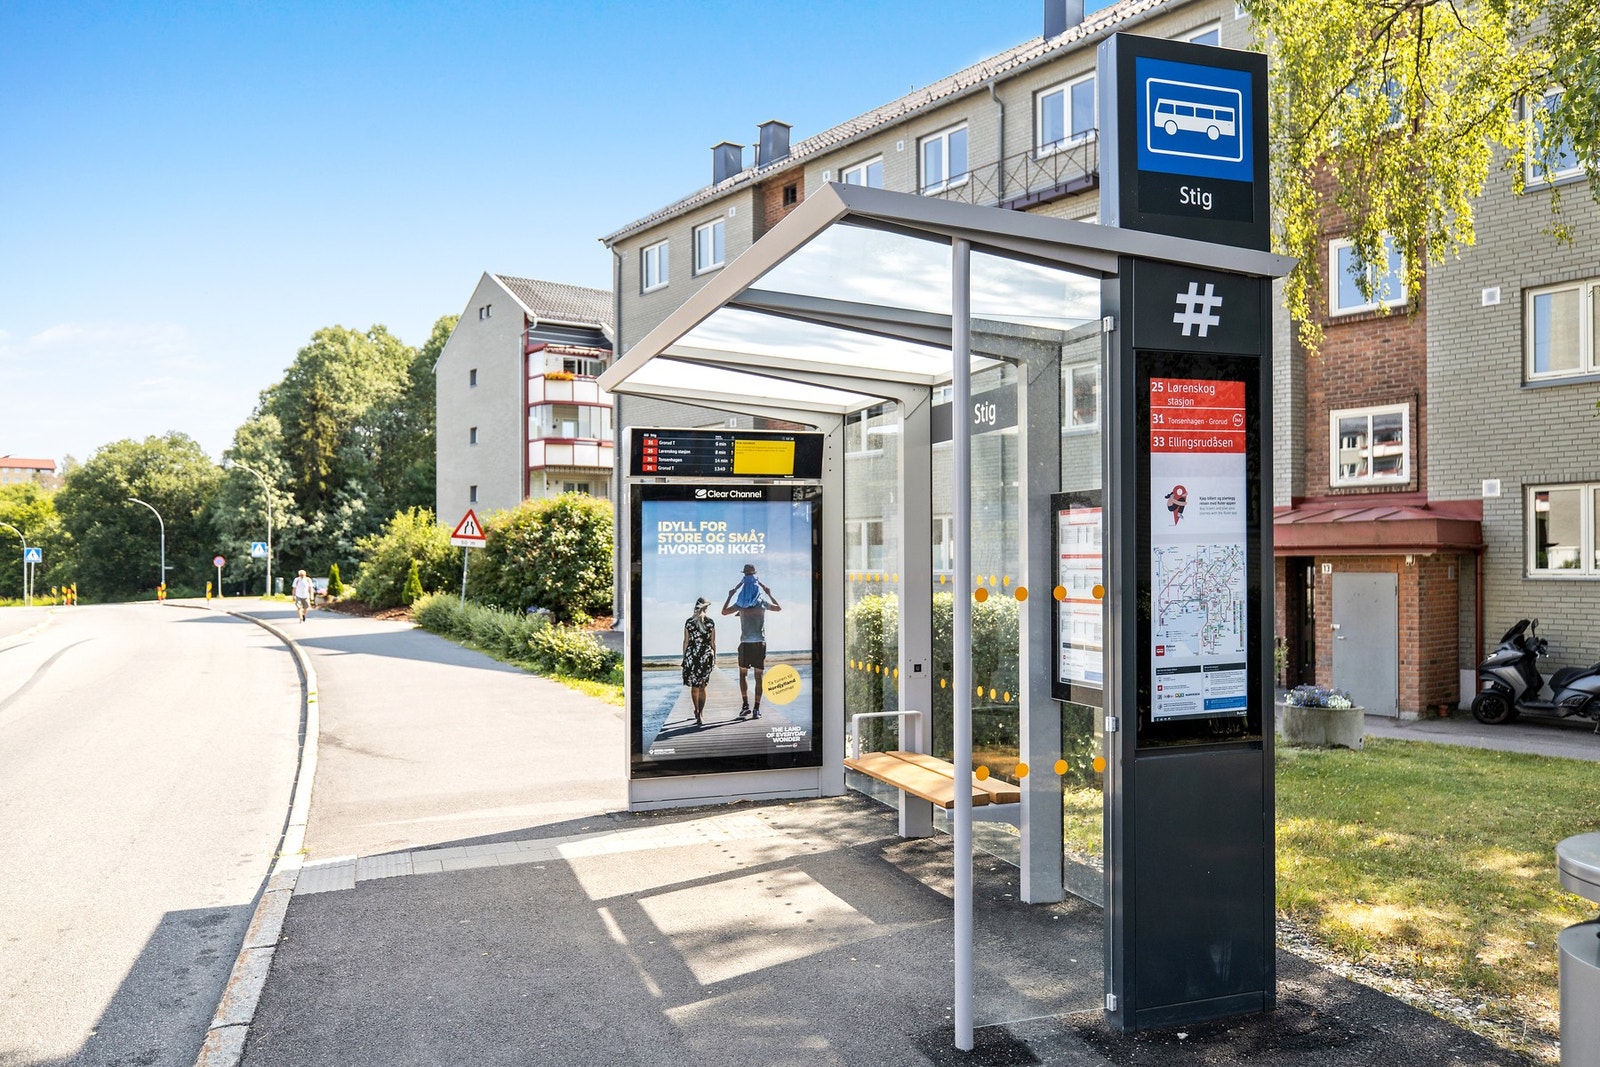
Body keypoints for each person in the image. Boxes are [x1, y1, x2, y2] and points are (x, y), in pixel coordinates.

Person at [722, 566, 781, 719]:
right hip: (759, 643)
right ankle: (756, 709)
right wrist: (769, 593)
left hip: (746, 644)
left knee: (743, 675)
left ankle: (746, 705)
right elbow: (778, 608)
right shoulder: (762, 603)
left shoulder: (740, 604)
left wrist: (731, 595)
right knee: (758, 677)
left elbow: (724, 612)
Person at [681, 597, 716, 726]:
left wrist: (685, 658)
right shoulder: (710, 622)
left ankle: (696, 710)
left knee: (695, 686)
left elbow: (686, 641)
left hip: (692, 655)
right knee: (702, 686)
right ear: (705, 608)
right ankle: (701, 714)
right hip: (705, 656)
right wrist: (714, 658)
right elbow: (713, 642)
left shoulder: (689, 622)